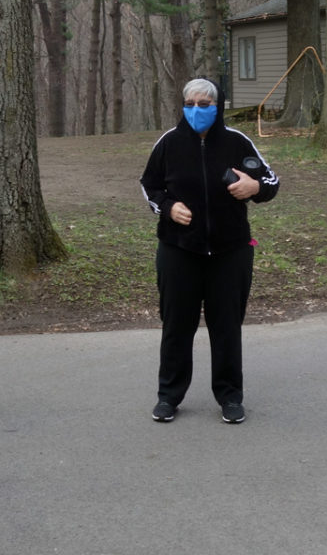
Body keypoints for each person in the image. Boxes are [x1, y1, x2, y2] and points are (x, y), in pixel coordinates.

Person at [140, 78, 279, 424]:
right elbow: (149, 186)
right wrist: (168, 207)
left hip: (230, 252)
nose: (197, 110)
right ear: (182, 106)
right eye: (191, 104)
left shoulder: (236, 142)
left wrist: (254, 186)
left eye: (205, 104)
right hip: (178, 250)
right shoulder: (169, 143)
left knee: (227, 326)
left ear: (217, 107)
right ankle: (169, 396)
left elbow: (272, 183)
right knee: (176, 325)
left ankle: (230, 397)